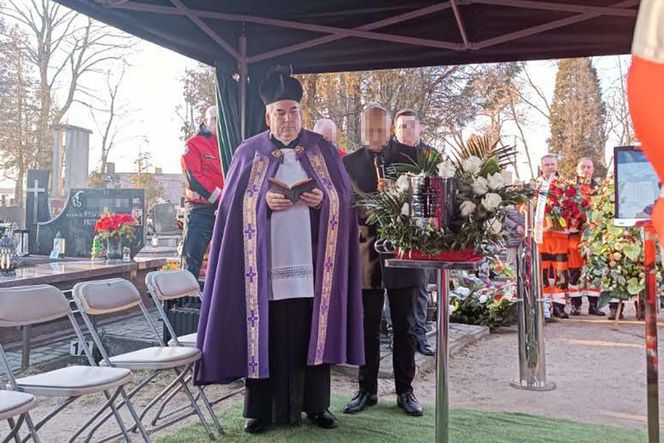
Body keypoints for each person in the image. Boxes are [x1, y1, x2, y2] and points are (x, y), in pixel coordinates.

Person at [193, 67, 364, 435]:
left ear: (301, 112)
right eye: (280, 112)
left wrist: (324, 200)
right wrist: (262, 203)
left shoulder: (322, 149)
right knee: (265, 333)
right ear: (267, 115)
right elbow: (231, 210)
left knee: (309, 330)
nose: (288, 119)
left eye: (293, 111)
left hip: (311, 261)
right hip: (265, 266)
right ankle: (260, 410)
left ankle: (316, 406)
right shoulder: (248, 151)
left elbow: (344, 200)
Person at [342, 106, 426, 417]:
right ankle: (367, 389)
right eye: (369, 130)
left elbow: (423, 202)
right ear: (361, 130)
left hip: (403, 252)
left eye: (381, 130)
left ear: (390, 129)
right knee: (368, 327)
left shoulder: (410, 158)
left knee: (405, 326)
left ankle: (406, 390)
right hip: (366, 253)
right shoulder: (347, 163)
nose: (375, 136)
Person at [393, 109, 434, 356]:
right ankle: (391, 330)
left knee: (419, 284)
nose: (407, 131)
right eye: (402, 127)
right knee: (394, 285)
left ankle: (419, 333)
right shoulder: (387, 155)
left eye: (411, 126)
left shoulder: (431, 154)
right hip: (395, 229)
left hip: (423, 230)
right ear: (395, 131)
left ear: (419, 128)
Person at [180, 105, 224, 278]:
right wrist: (220, 196)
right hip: (200, 210)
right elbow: (194, 178)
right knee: (192, 257)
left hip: (224, 208)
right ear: (205, 121)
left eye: (220, 119)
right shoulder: (193, 145)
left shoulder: (226, 143)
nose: (217, 123)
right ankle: (185, 299)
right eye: (213, 119)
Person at [568, 157, 605, 317]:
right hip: (575, 237)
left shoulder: (600, 189)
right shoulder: (569, 189)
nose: (586, 170)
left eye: (589, 167)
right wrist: (577, 223)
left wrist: (591, 224)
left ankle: (594, 306)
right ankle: (576, 306)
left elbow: (604, 211)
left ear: (593, 170)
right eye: (582, 167)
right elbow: (564, 211)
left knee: (594, 270)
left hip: (593, 238)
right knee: (575, 271)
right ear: (577, 169)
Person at [538, 154, 569, 319]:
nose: (550, 167)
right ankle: (544, 306)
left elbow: (573, 207)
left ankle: (559, 306)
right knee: (542, 274)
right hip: (542, 238)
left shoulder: (565, 186)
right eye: (547, 164)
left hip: (560, 239)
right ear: (541, 167)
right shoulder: (535, 185)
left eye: (552, 164)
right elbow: (523, 207)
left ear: (557, 166)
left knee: (561, 274)